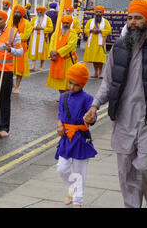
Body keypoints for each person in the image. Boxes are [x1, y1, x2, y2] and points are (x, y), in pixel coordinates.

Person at [84, 0, 147, 208]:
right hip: (123, 119)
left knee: (144, 166)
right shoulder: (119, 47)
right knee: (125, 171)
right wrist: (95, 106)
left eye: (138, 18)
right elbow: (109, 82)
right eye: (130, 18)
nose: (132, 22)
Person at [55, 63, 97, 208]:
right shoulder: (64, 97)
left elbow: (92, 117)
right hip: (66, 137)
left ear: (83, 84)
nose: (72, 87)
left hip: (80, 137)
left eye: (76, 84)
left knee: (80, 172)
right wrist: (59, 124)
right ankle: (72, 188)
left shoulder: (88, 98)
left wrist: (89, 119)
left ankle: (78, 202)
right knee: (62, 168)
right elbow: (60, 114)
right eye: (70, 83)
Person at [46, 15, 78, 96]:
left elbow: (70, 46)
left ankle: (68, 96)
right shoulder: (56, 33)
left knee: (68, 80)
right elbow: (52, 43)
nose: (65, 25)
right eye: (64, 23)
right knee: (59, 81)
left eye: (67, 23)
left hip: (67, 60)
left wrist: (57, 52)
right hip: (57, 59)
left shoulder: (73, 34)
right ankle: (62, 96)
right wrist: (51, 53)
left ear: (70, 24)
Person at [83, 6, 112, 79]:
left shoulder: (105, 22)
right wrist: (91, 30)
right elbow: (85, 29)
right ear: (95, 13)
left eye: (100, 12)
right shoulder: (90, 21)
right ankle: (95, 72)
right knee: (94, 59)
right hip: (92, 42)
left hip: (100, 43)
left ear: (102, 13)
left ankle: (100, 73)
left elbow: (109, 31)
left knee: (100, 58)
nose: (98, 13)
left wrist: (100, 31)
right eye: (97, 12)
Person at [11, 5, 33, 94]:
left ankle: (17, 87)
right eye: (15, 12)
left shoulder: (27, 23)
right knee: (10, 68)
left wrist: (14, 37)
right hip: (11, 48)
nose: (16, 14)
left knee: (20, 69)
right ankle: (11, 84)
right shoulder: (10, 22)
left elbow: (26, 36)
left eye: (18, 12)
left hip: (22, 48)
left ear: (22, 13)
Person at [29, 6, 53, 72]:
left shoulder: (48, 19)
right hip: (34, 37)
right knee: (33, 51)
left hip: (43, 38)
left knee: (43, 52)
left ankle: (41, 66)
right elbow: (29, 26)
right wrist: (34, 28)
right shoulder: (34, 19)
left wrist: (42, 28)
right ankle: (33, 66)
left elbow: (51, 28)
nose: (39, 13)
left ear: (43, 12)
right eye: (38, 12)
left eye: (40, 12)